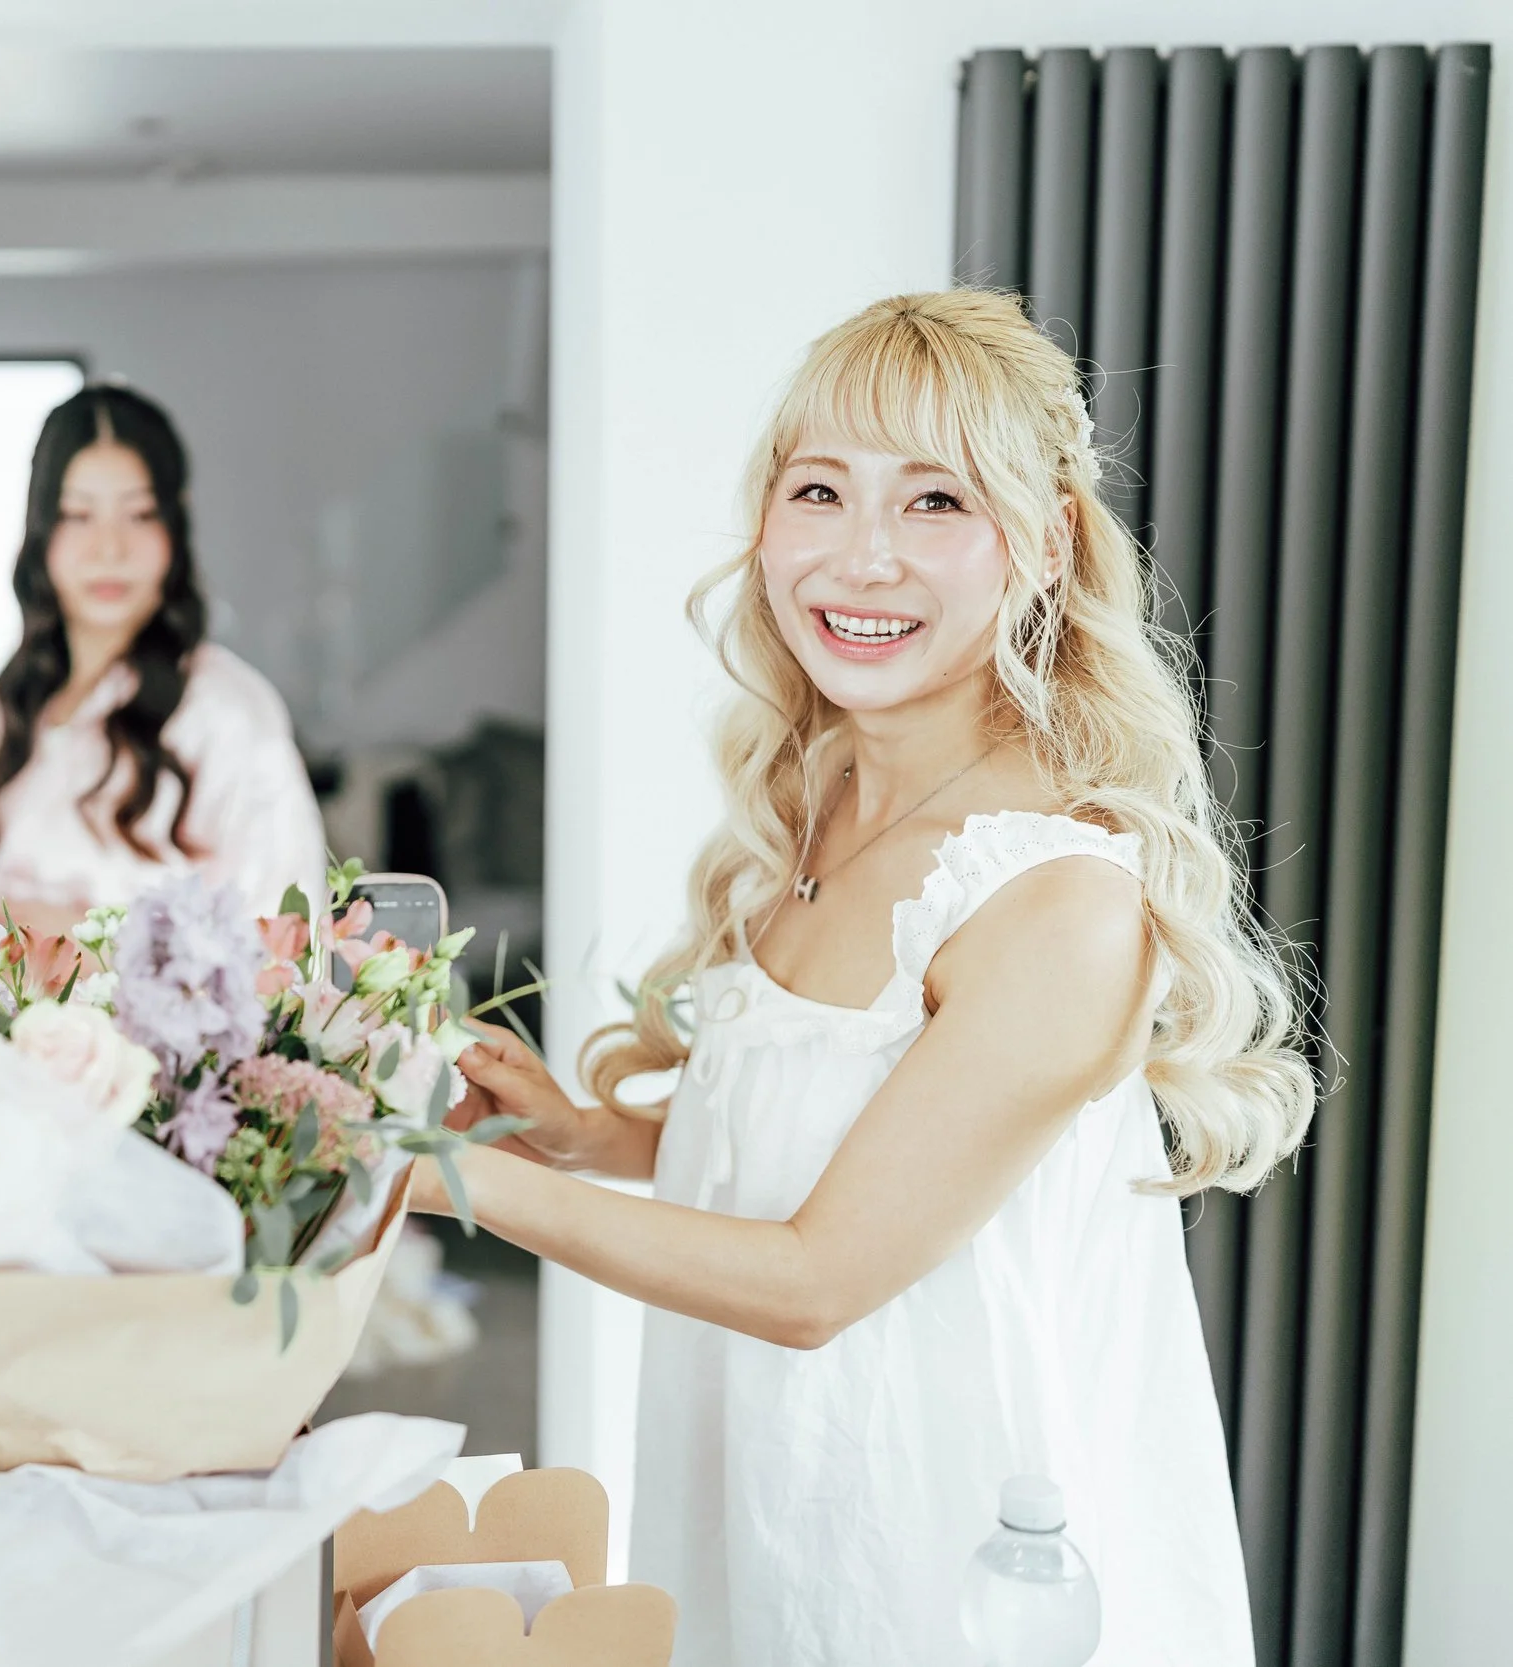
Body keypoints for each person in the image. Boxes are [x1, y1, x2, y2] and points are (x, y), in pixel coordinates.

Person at [415, 291, 1313, 1664]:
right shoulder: (817, 797)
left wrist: (438, 1179)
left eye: (935, 500)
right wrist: (594, 1136)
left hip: (950, 1554)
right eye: (819, 489)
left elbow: (817, 1275)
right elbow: (844, 1146)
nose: (862, 555)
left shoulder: (1051, 894)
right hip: (773, 1494)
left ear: (1045, 541)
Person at [0, 382, 324, 930]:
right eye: (77, 515)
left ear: (175, 525)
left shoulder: (224, 711)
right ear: (40, 530)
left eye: (139, 514)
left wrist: (55, 940)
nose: (109, 549)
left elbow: (285, 943)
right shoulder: (6, 704)